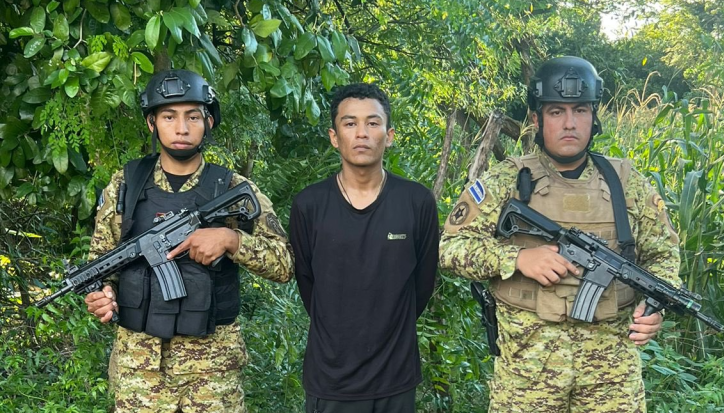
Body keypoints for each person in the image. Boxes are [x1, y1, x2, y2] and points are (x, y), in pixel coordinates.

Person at [439, 56, 681, 412]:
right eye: (556, 112)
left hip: (611, 376)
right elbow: (450, 247)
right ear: (536, 119)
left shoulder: (627, 185)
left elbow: (663, 255)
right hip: (526, 373)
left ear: (593, 117)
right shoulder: (505, 181)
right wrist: (518, 258)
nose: (570, 123)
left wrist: (654, 306)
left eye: (580, 110)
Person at [83, 69, 294, 412]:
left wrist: (231, 239)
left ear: (208, 122)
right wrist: (100, 296)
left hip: (213, 373)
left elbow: (284, 262)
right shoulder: (124, 184)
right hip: (139, 371)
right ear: (152, 124)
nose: (181, 128)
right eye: (169, 116)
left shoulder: (231, 188)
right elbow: (101, 261)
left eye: (193, 117)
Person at [289, 83, 439, 413]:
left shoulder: (416, 202)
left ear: (389, 135)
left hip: (395, 378)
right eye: (350, 123)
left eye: (372, 123)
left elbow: (423, 285)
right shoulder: (309, 205)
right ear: (334, 136)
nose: (361, 133)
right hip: (331, 380)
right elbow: (308, 285)